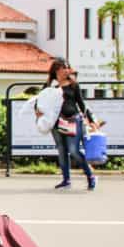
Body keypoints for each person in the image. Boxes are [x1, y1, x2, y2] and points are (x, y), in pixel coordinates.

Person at [38, 58, 97, 190]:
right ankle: (66, 180)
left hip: (72, 120)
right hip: (55, 122)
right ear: (56, 70)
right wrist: (38, 112)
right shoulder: (49, 86)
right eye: (64, 67)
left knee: (74, 150)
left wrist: (91, 121)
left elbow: (81, 103)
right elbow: (39, 102)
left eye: (67, 67)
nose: (66, 70)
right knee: (61, 150)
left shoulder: (73, 85)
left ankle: (90, 176)